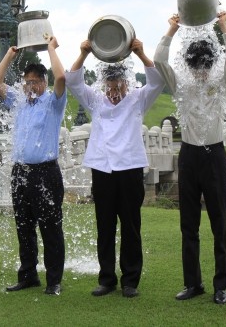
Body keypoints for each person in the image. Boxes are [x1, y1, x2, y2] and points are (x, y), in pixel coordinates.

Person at [64, 38, 164, 298]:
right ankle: (106, 279)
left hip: (130, 168)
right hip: (102, 169)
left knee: (130, 226)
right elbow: (73, 80)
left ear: (126, 83)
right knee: (105, 226)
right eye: (110, 86)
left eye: (118, 86)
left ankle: (130, 280)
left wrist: (141, 53)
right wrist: (83, 52)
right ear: (104, 85)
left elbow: (158, 81)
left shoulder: (137, 99)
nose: (114, 92)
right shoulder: (96, 101)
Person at [153, 11, 226, 305]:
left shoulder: (222, 84)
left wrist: (223, 24)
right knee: (188, 225)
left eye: (205, 66)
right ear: (189, 66)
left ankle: (221, 286)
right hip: (188, 155)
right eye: (195, 66)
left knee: (220, 223)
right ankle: (193, 284)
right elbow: (159, 60)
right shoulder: (182, 86)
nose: (200, 72)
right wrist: (171, 29)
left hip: (214, 155)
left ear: (211, 64)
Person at [0, 37, 67, 296]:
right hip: (20, 172)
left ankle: (54, 280)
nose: (30, 86)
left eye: (35, 82)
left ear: (43, 83)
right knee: (24, 226)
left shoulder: (52, 102)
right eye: (27, 82)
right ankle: (28, 275)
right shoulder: (20, 101)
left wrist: (51, 49)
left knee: (51, 228)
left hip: (46, 173)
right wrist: (10, 55)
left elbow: (62, 78)